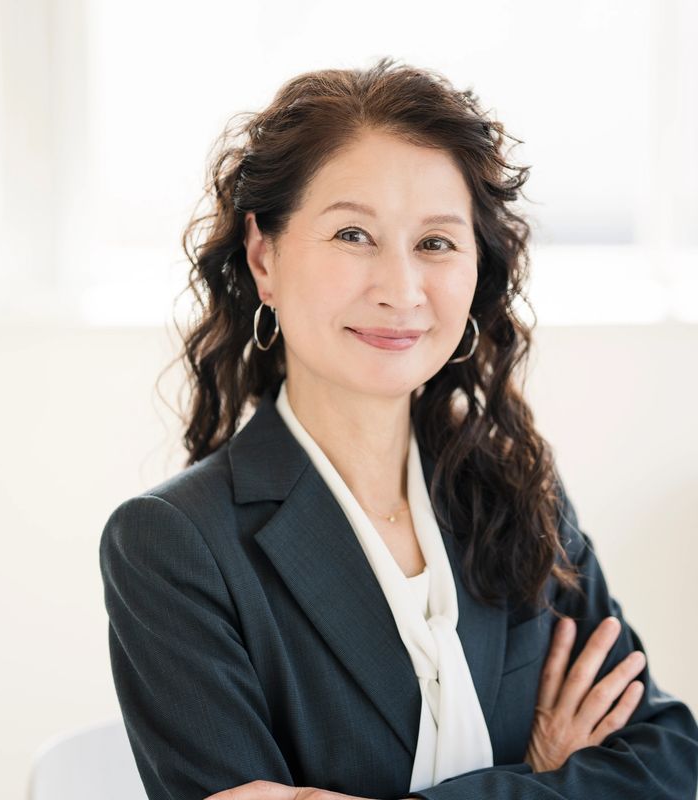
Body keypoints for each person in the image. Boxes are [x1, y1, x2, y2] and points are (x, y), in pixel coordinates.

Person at [98, 57, 698, 800]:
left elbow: (668, 762)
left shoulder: (512, 490)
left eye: (436, 243)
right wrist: (543, 775)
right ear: (263, 257)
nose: (402, 289)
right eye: (353, 234)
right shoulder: (172, 544)